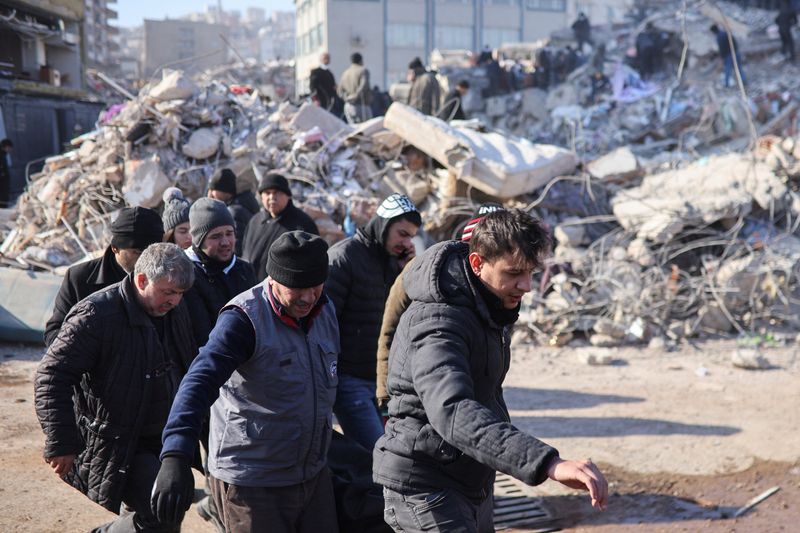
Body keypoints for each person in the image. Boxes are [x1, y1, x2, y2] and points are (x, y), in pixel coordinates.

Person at [374, 209, 608, 532]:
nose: (526, 286)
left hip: (471, 476)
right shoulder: (439, 321)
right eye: (514, 273)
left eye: (530, 272)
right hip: (425, 485)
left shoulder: (487, 304)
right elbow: (453, 410)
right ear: (477, 264)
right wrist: (547, 463)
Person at [152, 231, 339, 533]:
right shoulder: (244, 320)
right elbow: (199, 382)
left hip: (311, 476)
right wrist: (176, 453)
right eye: (296, 288)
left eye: (314, 287)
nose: (306, 297)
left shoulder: (325, 309)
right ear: (274, 280)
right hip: (254, 482)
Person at [35, 243, 197, 532]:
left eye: (181, 294)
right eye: (169, 291)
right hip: (117, 440)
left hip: (162, 435)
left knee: (169, 506)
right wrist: (61, 440)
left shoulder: (174, 311)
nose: (175, 300)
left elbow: (188, 365)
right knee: (160, 514)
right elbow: (52, 376)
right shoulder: (96, 315)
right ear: (142, 279)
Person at [375, 203, 504, 414]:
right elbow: (390, 331)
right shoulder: (423, 272)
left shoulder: (505, 293)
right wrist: (384, 395)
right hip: (422, 400)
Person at [325, 193, 421, 452]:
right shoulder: (344, 258)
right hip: (349, 379)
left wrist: (404, 272)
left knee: (396, 453)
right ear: (383, 225)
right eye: (402, 233)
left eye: (411, 236)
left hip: (383, 379)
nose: (406, 242)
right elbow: (324, 323)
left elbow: (403, 314)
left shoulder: (391, 262)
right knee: (379, 454)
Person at [44, 206, 164, 346]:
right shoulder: (80, 279)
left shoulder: (169, 279)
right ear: (115, 248)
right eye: (137, 252)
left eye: (151, 253)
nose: (146, 259)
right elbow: (54, 334)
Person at [183, 197, 256, 349]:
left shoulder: (245, 271)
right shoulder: (187, 274)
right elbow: (201, 334)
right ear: (199, 240)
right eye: (215, 236)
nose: (225, 242)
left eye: (229, 233)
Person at [242, 171, 319, 281]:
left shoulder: (302, 225)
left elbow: (311, 265)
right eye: (267, 193)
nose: (272, 197)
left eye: (277, 192)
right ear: (261, 196)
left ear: (288, 196)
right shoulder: (255, 221)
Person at [207, 168, 260, 257]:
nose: (211, 194)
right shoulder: (244, 203)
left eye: (213, 190)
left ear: (225, 191)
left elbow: (236, 247)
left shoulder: (233, 212)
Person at [339, 52, 373, 124]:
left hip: (348, 106)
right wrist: (355, 96)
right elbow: (364, 86)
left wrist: (347, 98)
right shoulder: (363, 70)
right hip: (361, 105)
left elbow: (339, 91)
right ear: (361, 60)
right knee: (366, 130)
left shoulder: (345, 73)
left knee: (353, 130)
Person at [0, 138, 13, 208]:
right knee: (3, 201)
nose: (11, 150)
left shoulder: (3, 154)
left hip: (3, 181)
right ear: (6, 147)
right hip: (2, 183)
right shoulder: (1, 155)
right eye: (10, 148)